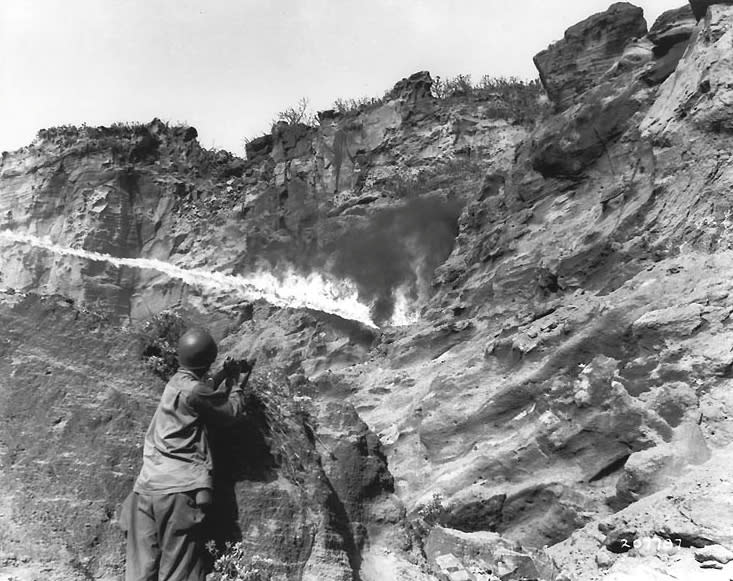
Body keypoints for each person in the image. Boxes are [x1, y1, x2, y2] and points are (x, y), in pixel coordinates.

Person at [122, 327, 253, 581]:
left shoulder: (174, 384)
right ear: (206, 361)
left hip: (146, 489)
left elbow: (199, 392)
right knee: (179, 571)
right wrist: (236, 384)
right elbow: (230, 412)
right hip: (178, 493)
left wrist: (221, 374)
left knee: (139, 573)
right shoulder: (195, 391)